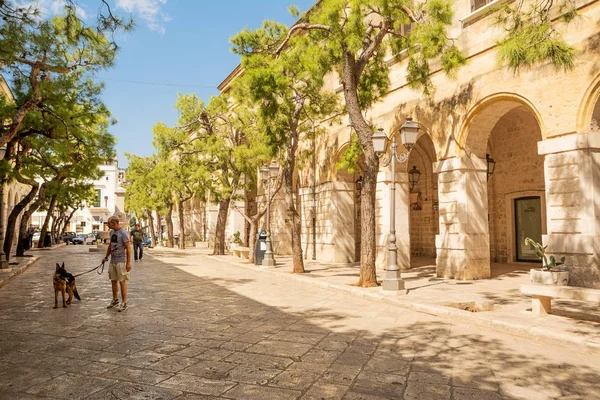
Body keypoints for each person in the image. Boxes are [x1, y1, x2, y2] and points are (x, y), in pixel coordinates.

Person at [102, 216, 132, 312]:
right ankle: (115, 300)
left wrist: (128, 263)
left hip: (121, 261)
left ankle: (124, 303)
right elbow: (110, 246)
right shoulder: (112, 232)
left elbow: (128, 248)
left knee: (122, 281)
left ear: (114, 224)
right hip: (113, 261)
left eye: (109, 224)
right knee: (113, 281)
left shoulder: (123, 233)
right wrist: (106, 257)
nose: (108, 225)